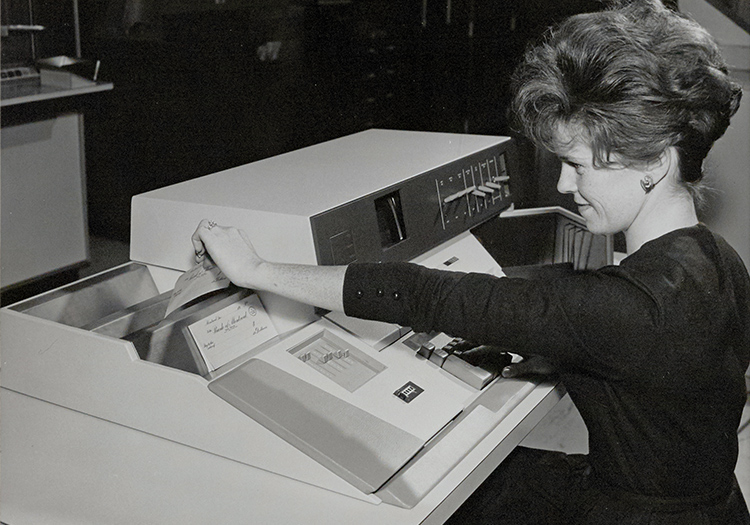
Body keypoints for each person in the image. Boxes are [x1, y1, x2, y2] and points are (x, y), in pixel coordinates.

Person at [191, 0, 749, 522]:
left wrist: (257, 272)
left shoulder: (620, 309)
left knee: (446, 492)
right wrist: (566, 360)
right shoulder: (721, 261)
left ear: (654, 159)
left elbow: (427, 295)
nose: (563, 183)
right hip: (715, 505)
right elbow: (679, 383)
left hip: (632, 513)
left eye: (578, 165)